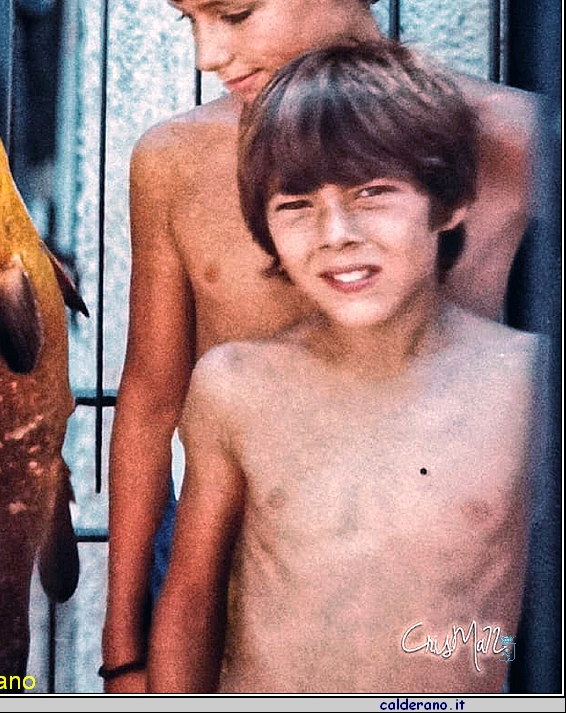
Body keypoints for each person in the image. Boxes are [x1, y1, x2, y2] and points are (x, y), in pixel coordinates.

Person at [101, 0, 542, 692]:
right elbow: (151, 400)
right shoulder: (175, 162)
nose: (207, 56)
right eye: (188, 21)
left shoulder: (515, 143)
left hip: (432, 585)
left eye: (233, 15)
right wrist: (125, 651)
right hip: (222, 573)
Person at [147, 40, 538, 692]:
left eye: (374, 193)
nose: (336, 233)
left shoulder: (527, 385)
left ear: (450, 201)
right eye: (296, 205)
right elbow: (189, 604)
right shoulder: (235, 387)